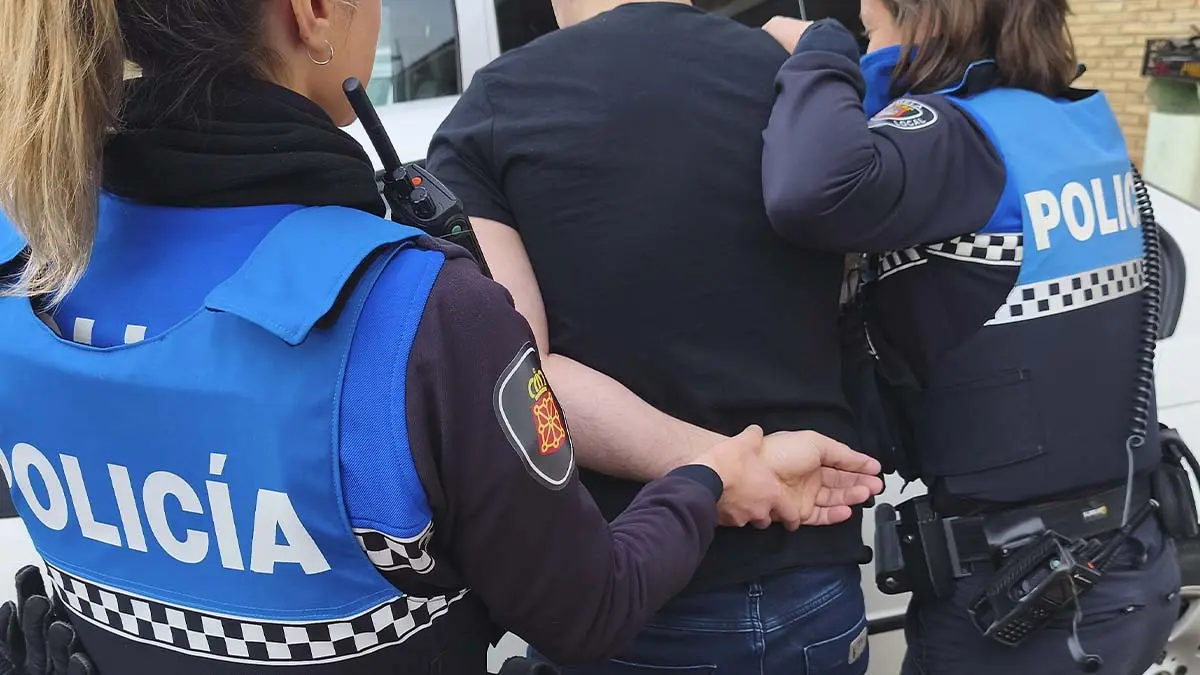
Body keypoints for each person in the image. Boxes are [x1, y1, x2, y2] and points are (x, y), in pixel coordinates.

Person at [0, 1, 886, 674]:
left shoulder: (24, 266)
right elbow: (586, 606)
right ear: (311, 12)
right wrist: (707, 478)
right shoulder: (410, 307)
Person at [425, 0, 881, 672]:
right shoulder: (795, 76)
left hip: (634, 594)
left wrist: (722, 468)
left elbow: (520, 374)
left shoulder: (495, 105)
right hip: (815, 582)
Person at [760, 1, 1183, 673]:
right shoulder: (1060, 124)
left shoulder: (956, 141)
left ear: (920, 19)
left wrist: (819, 53)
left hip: (1028, 598)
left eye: (874, 28)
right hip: (1113, 566)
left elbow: (810, 189)